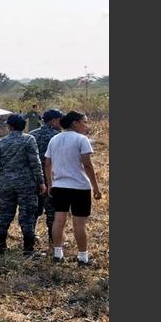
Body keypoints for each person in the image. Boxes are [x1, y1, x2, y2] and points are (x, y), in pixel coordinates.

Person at [44, 111, 103, 265]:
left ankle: (58, 253)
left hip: (60, 186)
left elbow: (47, 163)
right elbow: (87, 165)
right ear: (75, 123)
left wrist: (51, 183)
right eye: (84, 122)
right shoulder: (82, 140)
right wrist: (96, 187)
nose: (86, 125)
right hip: (79, 187)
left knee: (59, 220)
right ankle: (83, 257)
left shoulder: (54, 139)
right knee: (79, 223)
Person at [0, 114, 47, 256]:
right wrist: (41, 181)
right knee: (27, 215)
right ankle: (28, 250)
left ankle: (1, 247)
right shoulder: (29, 140)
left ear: (10, 126)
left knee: (4, 214)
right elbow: (35, 162)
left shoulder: (1, 143)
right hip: (26, 184)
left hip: (7, 184)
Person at [29, 109, 63, 244]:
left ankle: (31, 237)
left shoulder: (31, 135)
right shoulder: (58, 136)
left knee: (33, 211)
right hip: (52, 179)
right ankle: (53, 241)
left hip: (34, 179)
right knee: (52, 212)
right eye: (60, 120)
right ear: (53, 121)